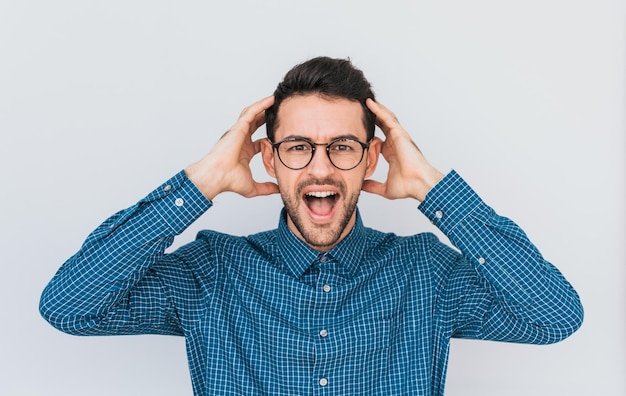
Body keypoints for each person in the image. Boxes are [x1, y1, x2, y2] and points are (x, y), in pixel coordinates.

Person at [40, 56, 583, 395]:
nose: (320, 168)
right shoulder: (211, 272)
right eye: (298, 147)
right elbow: (70, 307)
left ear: (372, 159)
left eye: (342, 147)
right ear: (269, 160)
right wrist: (200, 181)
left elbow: (554, 318)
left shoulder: (428, 273)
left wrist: (436, 191)